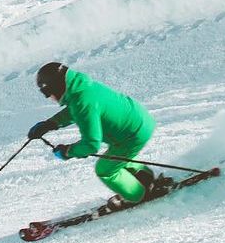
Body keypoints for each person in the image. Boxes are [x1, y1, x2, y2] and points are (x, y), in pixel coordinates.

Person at [27, 62, 159, 209]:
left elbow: (91, 144)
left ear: (57, 87)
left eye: (48, 93)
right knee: (117, 157)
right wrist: (50, 124)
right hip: (139, 120)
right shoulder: (82, 88)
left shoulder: (82, 102)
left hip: (132, 135)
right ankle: (145, 177)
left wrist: (67, 152)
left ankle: (137, 194)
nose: (49, 98)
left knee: (105, 169)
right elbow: (76, 110)